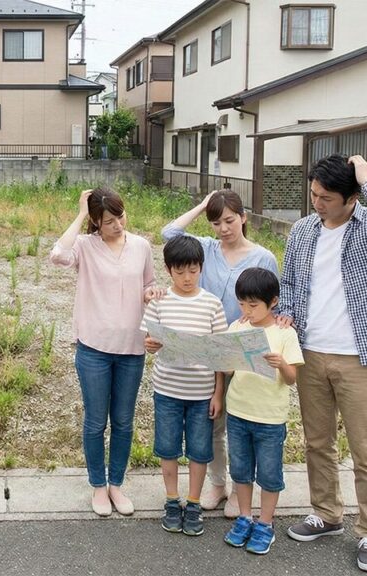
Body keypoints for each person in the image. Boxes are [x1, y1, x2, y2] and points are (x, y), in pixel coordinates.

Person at [279, 155, 367, 573]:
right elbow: (290, 283)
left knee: (365, 450)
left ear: (351, 198)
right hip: (311, 352)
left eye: (327, 197)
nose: (317, 202)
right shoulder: (302, 230)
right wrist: (284, 313)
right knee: (318, 442)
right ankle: (327, 513)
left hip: (359, 355)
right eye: (314, 193)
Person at [161, 189, 278, 518]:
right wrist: (202, 204)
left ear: (243, 217)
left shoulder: (263, 257)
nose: (223, 228)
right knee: (212, 423)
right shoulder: (207, 249)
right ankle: (217, 483)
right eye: (216, 222)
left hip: (245, 348)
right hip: (208, 350)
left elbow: (272, 301)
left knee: (244, 422)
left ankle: (243, 493)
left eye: (229, 220)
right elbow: (169, 234)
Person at [50, 187, 156, 517]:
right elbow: (57, 255)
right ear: (96, 223)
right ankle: (98, 485)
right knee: (96, 421)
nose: (117, 225)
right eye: (108, 221)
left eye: (120, 216)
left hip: (132, 349)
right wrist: (81, 212)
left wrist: (153, 297)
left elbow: (148, 286)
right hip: (94, 348)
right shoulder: (84, 246)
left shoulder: (141, 246)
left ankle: (116, 485)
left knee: (123, 422)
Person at [142, 235, 227, 536]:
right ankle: (171, 499)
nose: (187, 277)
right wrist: (151, 344)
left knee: (199, 450)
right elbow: (148, 339)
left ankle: (193, 503)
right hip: (167, 390)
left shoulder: (211, 304)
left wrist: (218, 392)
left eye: (193, 270)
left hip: (202, 393)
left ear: (201, 268)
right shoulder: (160, 301)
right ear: (169, 270)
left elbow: (219, 352)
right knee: (167, 447)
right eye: (180, 272)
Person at [221, 267, 304, 555]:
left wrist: (281, 364)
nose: (247, 310)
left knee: (269, 474)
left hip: (269, 417)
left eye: (253, 304)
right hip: (238, 411)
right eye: (242, 303)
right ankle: (245, 518)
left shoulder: (284, 333)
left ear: (273, 302)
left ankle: (265, 523)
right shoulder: (237, 327)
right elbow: (227, 368)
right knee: (241, 471)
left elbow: (293, 378)